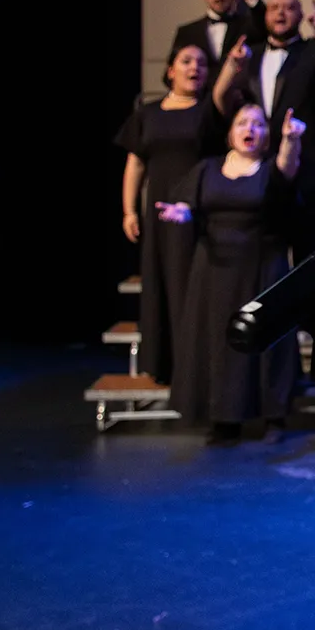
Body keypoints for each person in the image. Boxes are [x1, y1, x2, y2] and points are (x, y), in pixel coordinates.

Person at [156, 102, 306, 445]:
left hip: (263, 266)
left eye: (257, 124)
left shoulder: (270, 170)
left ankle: (274, 417)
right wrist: (181, 214)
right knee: (219, 341)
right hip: (215, 270)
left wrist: (291, 140)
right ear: (230, 133)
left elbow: (288, 167)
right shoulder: (207, 170)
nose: (249, 129)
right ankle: (225, 418)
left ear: (266, 136)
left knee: (268, 339)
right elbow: (188, 205)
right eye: (242, 123)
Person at [213, 0, 315, 265]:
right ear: (264, 15)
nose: (281, 13)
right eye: (274, 8)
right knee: (266, 250)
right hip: (262, 170)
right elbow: (227, 102)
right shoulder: (250, 54)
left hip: (312, 168)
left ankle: (313, 308)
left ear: (301, 15)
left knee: (312, 254)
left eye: (290, 8)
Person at [115, 44, 222, 385]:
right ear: (170, 70)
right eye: (187, 61)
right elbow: (135, 163)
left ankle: (197, 366)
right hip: (158, 211)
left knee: (191, 285)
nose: (195, 68)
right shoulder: (147, 113)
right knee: (163, 283)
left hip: (197, 211)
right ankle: (166, 364)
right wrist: (129, 210)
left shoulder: (210, 112)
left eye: (202, 63)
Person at [168, 0, 264, 94]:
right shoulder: (187, 31)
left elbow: (265, 23)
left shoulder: (248, 26)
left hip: (238, 102)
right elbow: (170, 73)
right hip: (198, 103)